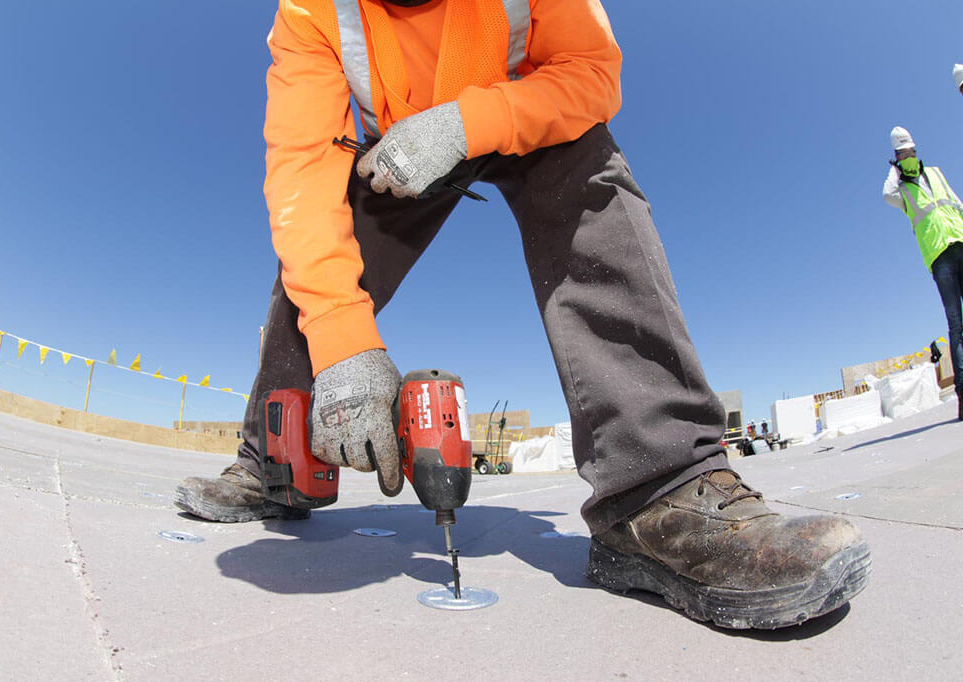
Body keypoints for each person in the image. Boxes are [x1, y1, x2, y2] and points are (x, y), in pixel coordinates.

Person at [176, 0, 870, 629]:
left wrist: (466, 123)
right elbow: (302, 169)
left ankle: (662, 491)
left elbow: (592, 72)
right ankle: (273, 466)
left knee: (588, 166)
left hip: (523, 117)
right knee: (323, 249)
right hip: (400, 152)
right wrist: (342, 342)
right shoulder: (309, 12)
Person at [883, 126, 963, 421]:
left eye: (911, 152)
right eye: (902, 154)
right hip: (938, 257)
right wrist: (895, 170)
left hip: (961, 241)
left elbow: (957, 203)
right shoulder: (902, 190)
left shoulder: (937, 173)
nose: (909, 157)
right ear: (896, 157)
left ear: (917, 151)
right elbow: (885, 194)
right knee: (957, 325)